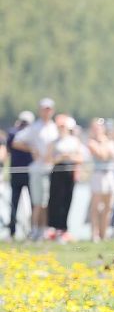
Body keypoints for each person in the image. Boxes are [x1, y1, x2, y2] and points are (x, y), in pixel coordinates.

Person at [12, 98, 58, 241]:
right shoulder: (35, 127)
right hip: (37, 169)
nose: (46, 112)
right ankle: (35, 230)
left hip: (51, 169)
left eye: (49, 109)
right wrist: (32, 149)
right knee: (38, 202)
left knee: (46, 202)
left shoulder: (54, 127)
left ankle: (43, 230)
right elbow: (16, 142)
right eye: (44, 109)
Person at [46, 115, 84, 242]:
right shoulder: (53, 142)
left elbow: (80, 158)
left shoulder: (74, 141)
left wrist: (69, 157)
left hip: (69, 172)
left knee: (67, 200)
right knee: (55, 200)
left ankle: (64, 229)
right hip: (57, 172)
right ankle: (54, 228)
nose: (61, 128)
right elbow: (48, 159)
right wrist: (60, 158)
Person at [87, 118, 114, 242]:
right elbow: (103, 155)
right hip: (98, 175)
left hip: (110, 175)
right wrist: (105, 144)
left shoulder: (109, 141)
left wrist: (105, 144)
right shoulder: (91, 142)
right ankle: (94, 234)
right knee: (96, 207)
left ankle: (104, 233)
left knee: (108, 207)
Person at [5, 111, 34, 239]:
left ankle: (25, 230)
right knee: (15, 203)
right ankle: (14, 231)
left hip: (25, 172)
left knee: (28, 203)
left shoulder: (13, 132)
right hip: (21, 172)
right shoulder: (16, 133)